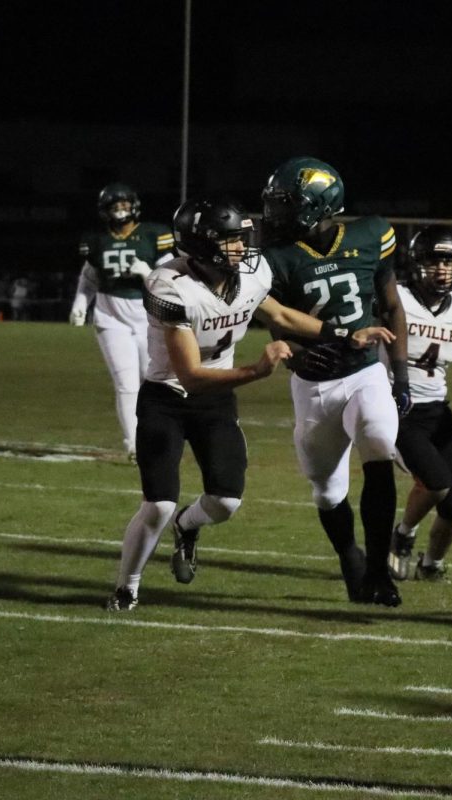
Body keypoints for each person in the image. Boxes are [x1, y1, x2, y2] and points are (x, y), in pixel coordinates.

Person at [106, 197, 393, 611]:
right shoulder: (169, 286)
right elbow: (189, 376)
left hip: (215, 400)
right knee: (158, 504)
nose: (242, 247)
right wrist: (257, 371)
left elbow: (282, 314)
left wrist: (345, 335)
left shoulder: (251, 274)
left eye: (241, 238)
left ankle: (188, 527)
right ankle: (127, 587)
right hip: (167, 398)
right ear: (202, 245)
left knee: (225, 502)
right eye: (230, 240)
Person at [261, 156, 411, 607]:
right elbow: (280, 328)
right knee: (327, 492)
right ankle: (351, 558)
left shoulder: (370, 236)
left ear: (316, 204)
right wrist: (312, 352)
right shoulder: (277, 258)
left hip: (364, 372)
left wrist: (399, 373)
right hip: (314, 385)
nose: (275, 213)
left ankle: (380, 572)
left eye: (285, 204)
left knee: (380, 448)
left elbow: (392, 306)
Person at [385, 227, 452, 582]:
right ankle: (402, 534)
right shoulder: (394, 298)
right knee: (435, 482)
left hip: (437, 412)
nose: (443, 269)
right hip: (397, 410)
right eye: (434, 261)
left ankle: (431, 565)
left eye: (450, 261)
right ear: (417, 264)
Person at [69, 184, 177, 459]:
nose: (120, 210)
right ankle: (133, 443)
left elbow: (173, 277)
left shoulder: (153, 234)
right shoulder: (96, 240)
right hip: (110, 316)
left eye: (124, 205)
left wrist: (148, 272)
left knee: (151, 378)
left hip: (147, 316)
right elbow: (90, 277)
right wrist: (81, 304)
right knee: (127, 384)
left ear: (134, 206)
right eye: (114, 206)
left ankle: (158, 434)